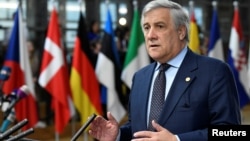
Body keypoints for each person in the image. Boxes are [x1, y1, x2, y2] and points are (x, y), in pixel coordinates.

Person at [88, 0, 241, 141]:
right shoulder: (140, 77)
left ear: (181, 32)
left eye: (159, 26)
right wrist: (119, 135)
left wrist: (177, 140)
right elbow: (139, 129)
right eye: (147, 28)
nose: (150, 35)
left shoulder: (215, 71)